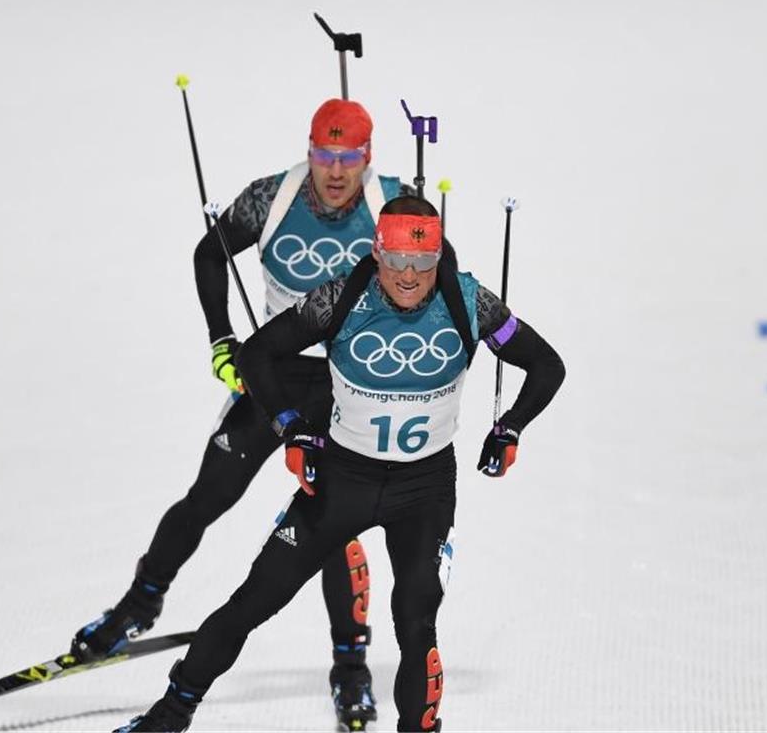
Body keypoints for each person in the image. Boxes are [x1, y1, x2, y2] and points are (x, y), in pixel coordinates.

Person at [114, 195, 566, 732]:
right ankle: (171, 713)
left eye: (422, 263)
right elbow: (257, 354)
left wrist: (510, 425)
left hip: (422, 493)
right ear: (377, 253)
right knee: (255, 600)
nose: (407, 276)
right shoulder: (341, 298)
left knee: (417, 624)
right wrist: (290, 426)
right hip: (340, 483)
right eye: (396, 260)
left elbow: (546, 365)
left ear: (438, 258)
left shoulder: (471, 303)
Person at [71, 99, 417, 729]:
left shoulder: (389, 207)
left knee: (332, 529)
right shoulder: (273, 198)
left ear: (369, 158)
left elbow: (429, 270)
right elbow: (210, 254)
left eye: (348, 159)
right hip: (271, 373)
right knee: (208, 496)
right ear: (308, 148)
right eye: (323, 155)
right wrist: (221, 340)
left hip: (346, 386)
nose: (335, 172)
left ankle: (349, 666)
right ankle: (140, 601)